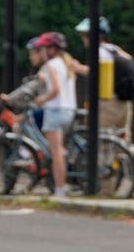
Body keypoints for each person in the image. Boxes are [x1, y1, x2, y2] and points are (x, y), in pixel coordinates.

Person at [69, 17, 133, 136]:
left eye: (85, 35)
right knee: (121, 142)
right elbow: (130, 61)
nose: (83, 38)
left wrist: (77, 67)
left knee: (102, 141)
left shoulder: (100, 51)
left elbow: (93, 71)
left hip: (108, 102)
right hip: (124, 101)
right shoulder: (114, 49)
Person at [30, 31, 76, 197]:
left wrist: (42, 99)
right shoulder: (66, 63)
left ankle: (60, 190)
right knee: (59, 151)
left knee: (56, 154)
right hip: (69, 110)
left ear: (51, 50)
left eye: (43, 49)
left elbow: (55, 89)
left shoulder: (52, 64)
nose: (41, 52)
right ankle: (61, 186)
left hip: (55, 111)